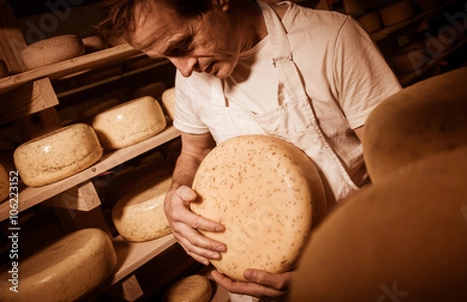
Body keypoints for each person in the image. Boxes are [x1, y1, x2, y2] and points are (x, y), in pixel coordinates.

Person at [97, 0, 401, 299]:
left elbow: (399, 172)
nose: (184, 70)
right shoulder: (190, 73)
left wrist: (331, 265)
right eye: (165, 57)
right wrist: (175, 194)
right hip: (256, 274)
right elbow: (193, 152)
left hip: (355, 255)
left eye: (182, 44)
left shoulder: (330, 39)